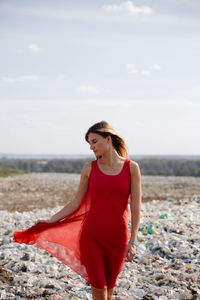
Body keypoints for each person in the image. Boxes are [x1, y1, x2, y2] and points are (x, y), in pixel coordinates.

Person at [14, 121, 142, 300]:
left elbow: (136, 207)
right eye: (89, 143)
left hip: (118, 238)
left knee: (109, 290)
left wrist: (133, 241)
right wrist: (50, 221)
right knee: (99, 288)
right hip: (91, 237)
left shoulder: (131, 168)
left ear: (108, 139)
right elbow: (75, 202)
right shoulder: (89, 169)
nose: (91, 147)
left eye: (94, 141)